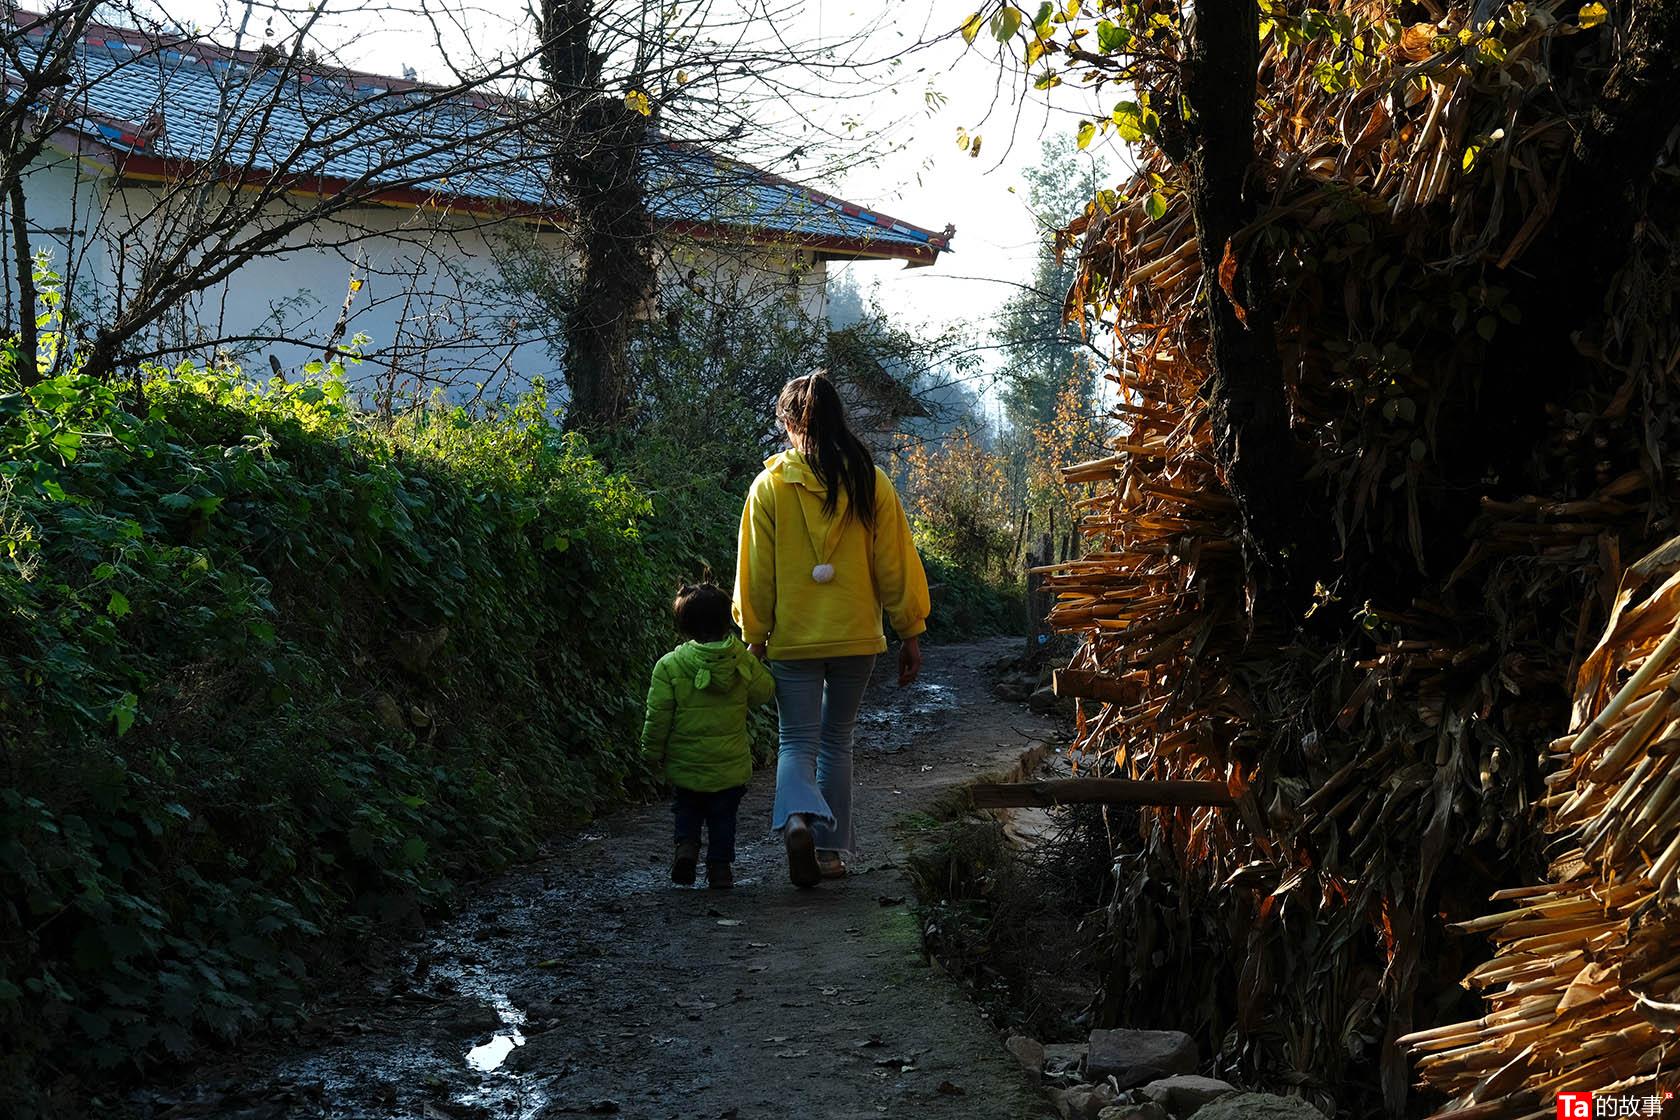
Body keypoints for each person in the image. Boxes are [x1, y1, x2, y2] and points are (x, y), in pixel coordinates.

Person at [733, 372, 931, 888]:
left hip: (793, 640)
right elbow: (895, 565)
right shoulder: (871, 481)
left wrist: (755, 635)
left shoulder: (769, 487)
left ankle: (796, 818)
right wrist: (910, 630)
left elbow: (756, 572)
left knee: (796, 740)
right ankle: (830, 851)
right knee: (837, 740)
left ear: (790, 422)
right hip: (855, 637)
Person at [641, 582, 776, 890]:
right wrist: (757, 660)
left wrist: (651, 752)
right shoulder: (740, 661)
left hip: (686, 763)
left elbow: (658, 715)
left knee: (686, 808)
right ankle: (719, 869)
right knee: (723, 816)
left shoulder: (670, 665)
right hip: (729, 765)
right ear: (726, 619)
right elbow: (764, 692)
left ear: (684, 625)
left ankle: (686, 849)